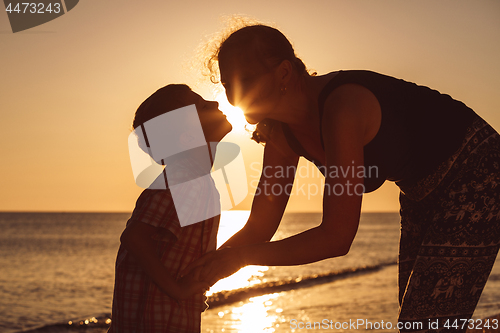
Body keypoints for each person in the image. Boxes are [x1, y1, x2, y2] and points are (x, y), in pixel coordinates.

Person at [184, 24, 500, 332]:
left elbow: (337, 237)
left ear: (283, 72)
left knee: (424, 322)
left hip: (479, 171)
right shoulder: (281, 134)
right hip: (420, 192)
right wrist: (200, 273)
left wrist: (239, 258)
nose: (233, 95)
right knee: (419, 321)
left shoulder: (342, 108)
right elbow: (259, 227)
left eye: (246, 79)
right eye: (226, 84)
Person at [108, 84, 232, 333]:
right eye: (199, 105)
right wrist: (178, 290)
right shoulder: (184, 177)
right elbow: (135, 237)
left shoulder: (194, 178)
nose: (215, 104)